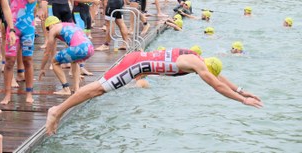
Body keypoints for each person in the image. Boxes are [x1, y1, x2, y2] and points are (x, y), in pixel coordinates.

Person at [45, 48, 263, 135]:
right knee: (96, 90)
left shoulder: (198, 60)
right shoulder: (196, 65)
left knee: (98, 90)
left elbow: (220, 79)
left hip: (137, 61)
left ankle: (59, 111)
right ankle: (57, 111)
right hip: (135, 66)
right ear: (204, 68)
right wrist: (242, 102)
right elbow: (217, 85)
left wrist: (243, 91)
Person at [1, 0, 40, 104]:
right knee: (10, 61)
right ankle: (7, 94)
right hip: (13, 27)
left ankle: (29, 93)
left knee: (27, 60)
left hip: (28, 28)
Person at [39, 16, 94, 95]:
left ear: (50, 25)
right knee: (74, 60)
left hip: (79, 47)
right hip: (90, 48)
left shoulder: (53, 29)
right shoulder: (71, 24)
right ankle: (76, 88)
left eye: (47, 29)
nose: (48, 32)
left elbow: (47, 52)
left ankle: (66, 89)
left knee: (54, 62)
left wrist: (42, 68)